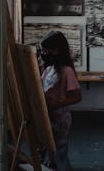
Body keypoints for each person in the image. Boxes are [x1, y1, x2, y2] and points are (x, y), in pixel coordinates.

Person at [39, 31, 82, 171]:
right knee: (47, 150)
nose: (43, 53)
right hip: (46, 117)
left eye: (46, 50)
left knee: (60, 152)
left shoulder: (67, 71)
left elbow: (77, 97)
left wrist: (56, 104)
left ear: (57, 50)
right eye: (42, 50)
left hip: (60, 119)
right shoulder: (48, 69)